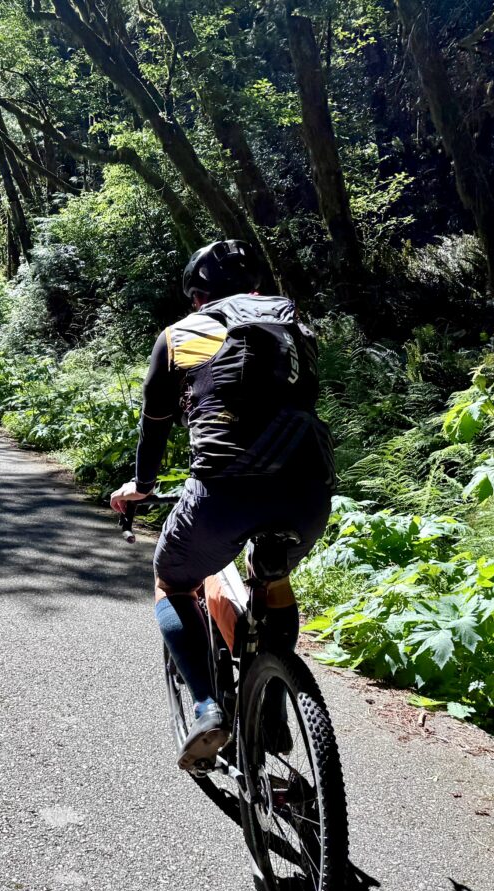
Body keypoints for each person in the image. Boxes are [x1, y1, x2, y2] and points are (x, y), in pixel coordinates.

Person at [111, 239, 336, 771]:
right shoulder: (293, 324)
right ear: (255, 287)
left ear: (197, 296)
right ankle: (275, 702)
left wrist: (139, 487)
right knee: (272, 579)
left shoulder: (181, 336)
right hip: (309, 489)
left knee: (172, 578)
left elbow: (155, 428)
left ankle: (209, 707)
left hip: (224, 492)